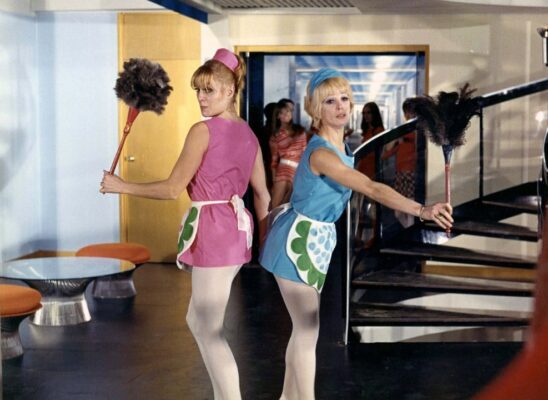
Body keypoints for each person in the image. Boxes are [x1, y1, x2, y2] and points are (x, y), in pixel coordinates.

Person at [259, 68, 453, 400]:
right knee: (307, 330)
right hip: (295, 242)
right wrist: (422, 210)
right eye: (329, 101)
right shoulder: (322, 153)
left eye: (344, 98)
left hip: (315, 242)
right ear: (315, 109)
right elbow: (370, 187)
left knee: (304, 331)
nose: (340, 106)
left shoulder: (341, 148)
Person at [100, 48, 270, 400]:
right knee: (197, 320)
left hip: (215, 231)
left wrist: (122, 186)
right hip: (236, 233)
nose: (201, 98)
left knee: (209, 330)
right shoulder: (249, 135)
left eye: (209, 90)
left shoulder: (202, 131)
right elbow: (262, 195)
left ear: (229, 91)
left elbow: (172, 188)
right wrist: (263, 242)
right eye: (198, 90)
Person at [382, 98, 418, 227]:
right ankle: (407, 230)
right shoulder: (403, 131)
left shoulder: (418, 131)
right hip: (400, 174)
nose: (408, 115)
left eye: (411, 112)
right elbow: (388, 151)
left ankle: (410, 231)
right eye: (407, 112)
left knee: (410, 209)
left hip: (412, 173)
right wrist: (398, 137)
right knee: (398, 211)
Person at [269, 98, 307, 208]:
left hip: (297, 171)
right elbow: (274, 162)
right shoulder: (274, 137)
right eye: (283, 112)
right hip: (282, 171)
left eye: (289, 111)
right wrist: (273, 182)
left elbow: (305, 155)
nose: (287, 114)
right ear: (278, 116)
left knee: (293, 206)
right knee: (276, 206)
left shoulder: (300, 131)